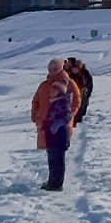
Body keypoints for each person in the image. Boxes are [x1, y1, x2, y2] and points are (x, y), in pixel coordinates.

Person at [31, 59, 81, 191]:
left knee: (57, 155)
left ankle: (56, 184)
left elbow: (76, 101)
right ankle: (52, 181)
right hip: (46, 125)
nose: (52, 71)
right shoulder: (44, 85)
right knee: (51, 154)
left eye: (55, 69)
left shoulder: (68, 83)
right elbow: (36, 101)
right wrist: (35, 116)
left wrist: (68, 117)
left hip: (60, 126)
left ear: (60, 68)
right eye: (50, 69)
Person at [65, 58, 94, 127]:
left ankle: (77, 121)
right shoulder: (69, 72)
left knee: (81, 107)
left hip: (82, 93)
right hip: (72, 94)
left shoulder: (84, 73)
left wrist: (88, 92)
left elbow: (89, 84)